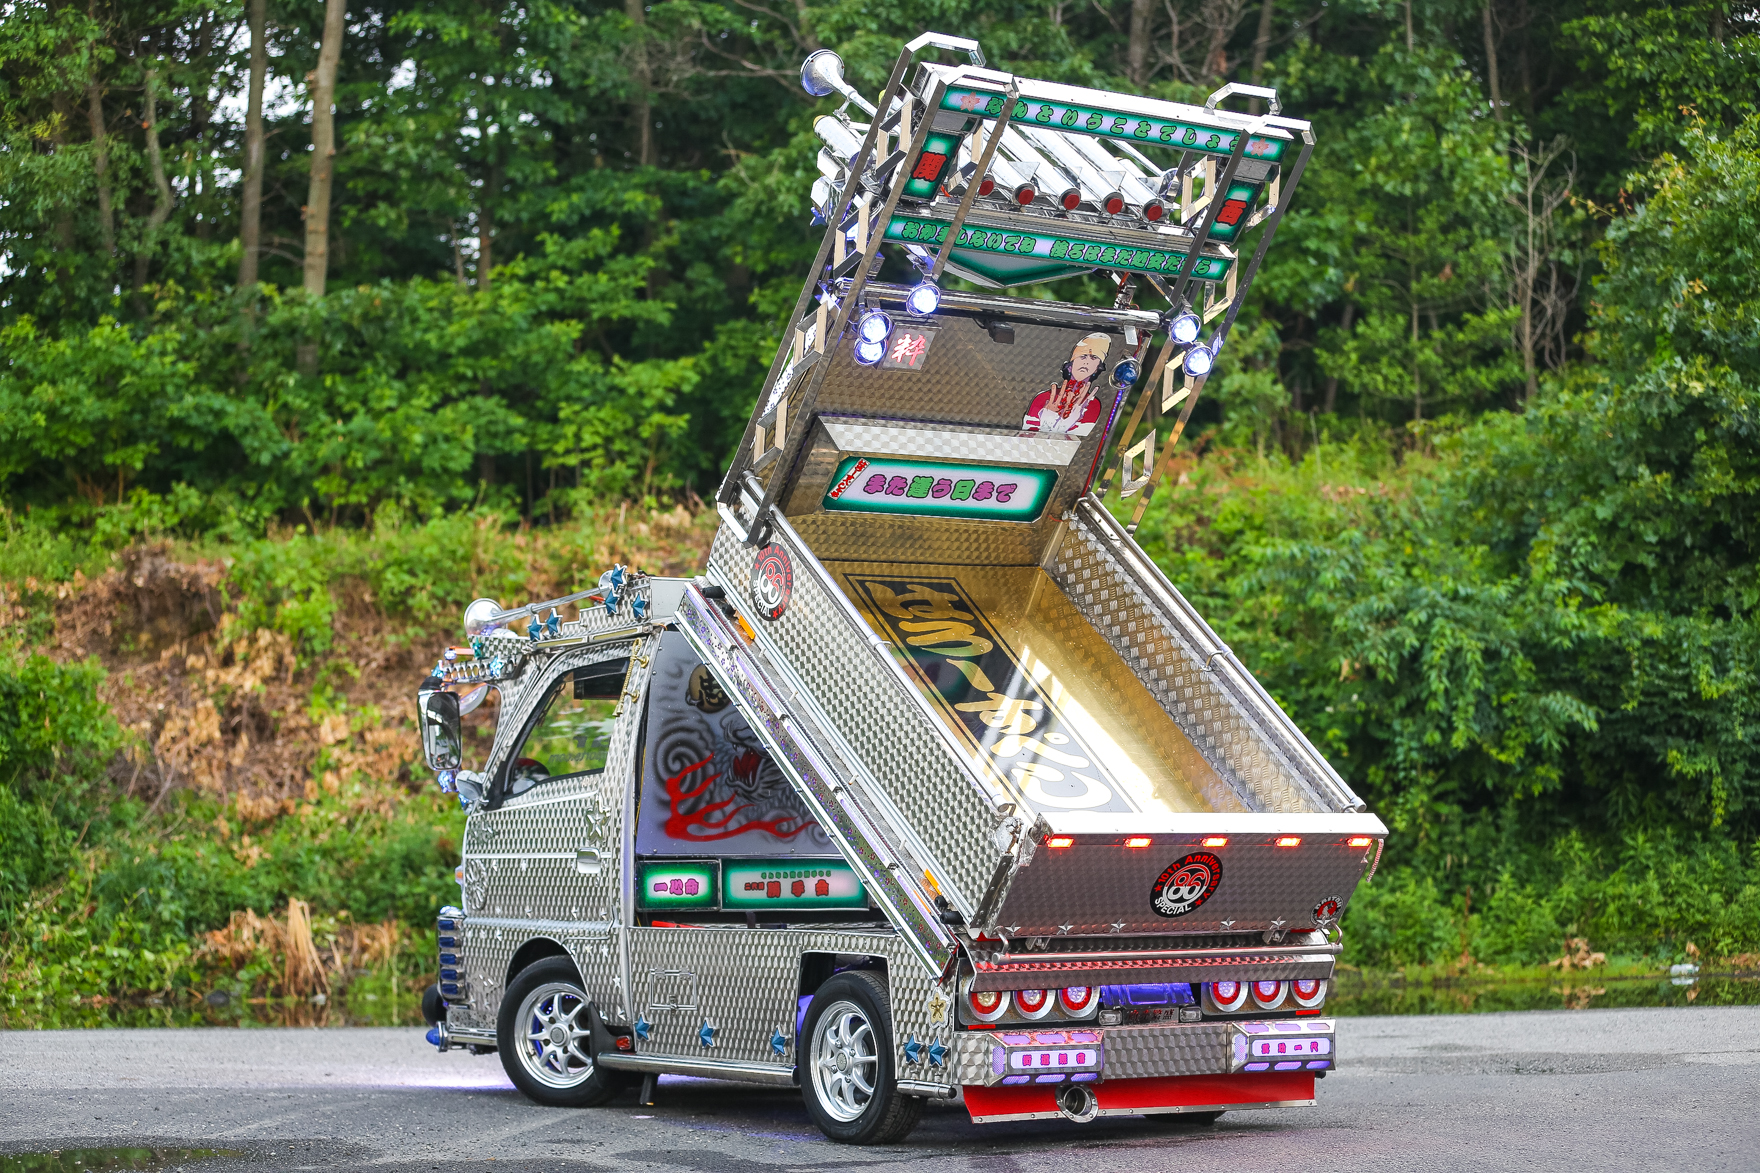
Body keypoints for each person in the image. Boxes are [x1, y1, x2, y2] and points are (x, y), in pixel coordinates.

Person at [1022, 333, 1111, 436]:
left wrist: (1069, 422)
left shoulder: (1093, 404)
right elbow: (1025, 437)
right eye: (1083, 356)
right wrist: (1047, 421)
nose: (1087, 362)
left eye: (1094, 357)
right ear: (1071, 364)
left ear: (1097, 367)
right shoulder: (1044, 397)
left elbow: (1079, 441)